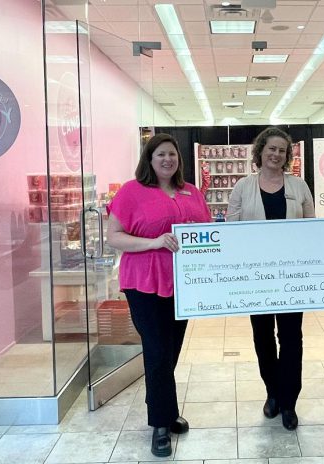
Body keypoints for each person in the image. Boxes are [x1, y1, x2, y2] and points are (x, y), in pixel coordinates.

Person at [106, 133, 210, 457]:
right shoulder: (131, 192)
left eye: (172, 155)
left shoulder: (191, 192)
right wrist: (152, 242)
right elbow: (114, 237)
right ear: (149, 159)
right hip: (144, 283)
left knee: (171, 351)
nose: (168, 160)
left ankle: (165, 409)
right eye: (161, 154)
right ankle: (160, 426)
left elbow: (206, 233)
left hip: (184, 284)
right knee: (155, 350)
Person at [227, 127, 315, 430]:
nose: (276, 154)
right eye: (271, 149)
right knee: (262, 337)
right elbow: (231, 233)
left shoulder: (300, 186)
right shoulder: (242, 187)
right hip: (257, 279)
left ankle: (289, 401)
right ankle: (272, 393)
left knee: (292, 338)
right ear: (260, 152)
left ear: (287, 155)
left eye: (281, 150)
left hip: (292, 277)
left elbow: (310, 231)